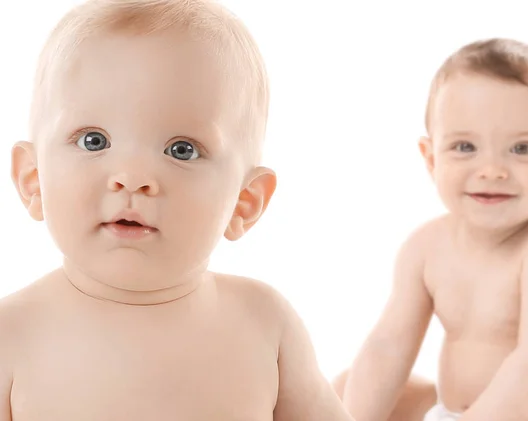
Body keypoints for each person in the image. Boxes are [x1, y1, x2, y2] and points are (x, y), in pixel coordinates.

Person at [0, 1, 358, 419]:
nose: (132, 178)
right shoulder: (14, 335)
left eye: (182, 150)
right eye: (93, 141)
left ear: (245, 201)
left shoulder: (263, 323)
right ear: (33, 179)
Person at [337, 38, 528, 421]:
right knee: (349, 386)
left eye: (522, 149)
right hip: (459, 412)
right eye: (465, 147)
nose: (492, 169)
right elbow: (389, 346)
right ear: (431, 158)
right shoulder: (426, 247)